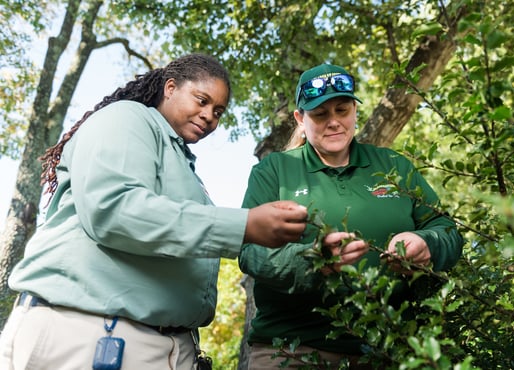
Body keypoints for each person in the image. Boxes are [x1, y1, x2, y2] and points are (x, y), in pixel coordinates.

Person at [0, 53, 308, 370]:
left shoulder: (183, 165)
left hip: (156, 345)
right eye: (201, 100)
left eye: (218, 112)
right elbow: (115, 211)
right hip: (90, 335)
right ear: (170, 87)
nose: (209, 117)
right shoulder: (125, 118)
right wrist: (243, 227)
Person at [238, 63, 464, 369]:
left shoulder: (393, 165)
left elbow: (446, 228)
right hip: (293, 350)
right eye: (320, 114)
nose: (333, 122)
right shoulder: (274, 171)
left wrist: (426, 243)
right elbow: (250, 251)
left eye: (342, 110)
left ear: (355, 111)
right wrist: (314, 259)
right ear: (300, 119)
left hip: (390, 350)